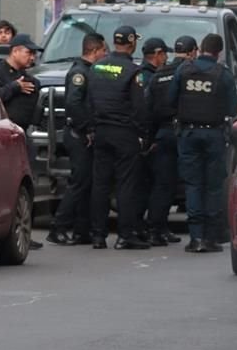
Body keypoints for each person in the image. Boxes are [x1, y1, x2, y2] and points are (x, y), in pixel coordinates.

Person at [169, 33, 237, 253]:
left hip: (188, 135)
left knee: (193, 185)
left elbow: (171, 100)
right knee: (213, 186)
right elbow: (232, 110)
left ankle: (196, 237)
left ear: (199, 48)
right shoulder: (224, 75)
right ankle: (210, 237)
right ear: (218, 52)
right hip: (214, 136)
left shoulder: (183, 70)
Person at [87, 26, 151, 250]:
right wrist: (143, 134)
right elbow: (140, 108)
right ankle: (125, 235)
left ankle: (97, 235)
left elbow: (89, 100)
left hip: (101, 132)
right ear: (132, 43)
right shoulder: (134, 71)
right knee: (126, 185)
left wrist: (92, 127)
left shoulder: (96, 67)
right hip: (124, 134)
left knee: (100, 184)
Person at [46, 32, 107, 246]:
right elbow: (73, 104)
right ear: (94, 50)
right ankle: (58, 226)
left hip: (83, 134)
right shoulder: (80, 73)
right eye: (103, 51)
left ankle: (82, 230)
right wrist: (87, 129)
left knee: (87, 183)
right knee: (78, 183)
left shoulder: (89, 71)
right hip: (78, 135)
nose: (105, 55)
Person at [0, 32, 43, 249]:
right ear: (15, 51)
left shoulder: (29, 77)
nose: (32, 58)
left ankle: (24, 231)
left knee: (26, 184)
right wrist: (15, 87)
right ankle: (2, 231)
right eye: (28, 53)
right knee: (6, 184)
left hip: (22, 135)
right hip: (3, 138)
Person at [136, 37, 182, 246]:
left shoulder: (153, 75)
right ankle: (153, 227)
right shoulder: (147, 77)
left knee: (160, 185)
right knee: (159, 185)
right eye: (164, 53)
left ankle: (159, 226)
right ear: (156, 54)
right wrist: (149, 139)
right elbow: (146, 110)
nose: (166, 58)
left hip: (152, 137)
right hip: (152, 138)